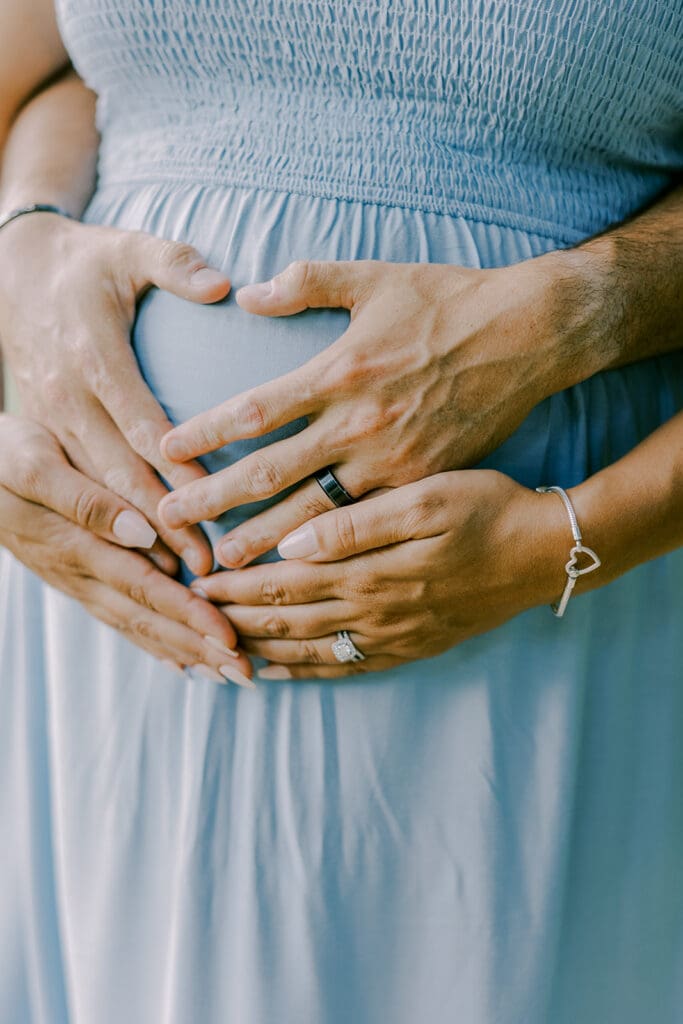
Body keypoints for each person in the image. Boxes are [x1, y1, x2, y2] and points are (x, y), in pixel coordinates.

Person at [0, 2, 681, 1021]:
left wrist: (566, 519)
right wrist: (22, 244)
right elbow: (52, 76)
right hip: (107, 655)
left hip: (544, 621)